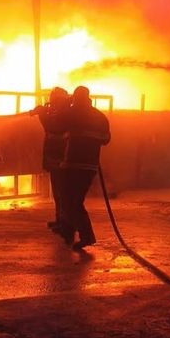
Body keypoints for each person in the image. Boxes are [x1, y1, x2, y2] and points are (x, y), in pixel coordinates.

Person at [59, 86, 111, 251]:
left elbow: (55, 125)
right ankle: (74, 231)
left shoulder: (71, 113)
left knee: (70, 201)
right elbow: (106, 139)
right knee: (74, 201)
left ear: (75, 98)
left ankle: (84, 235)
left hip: (73, 164)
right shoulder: (99, 116)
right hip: (89, 166)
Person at [31, 87, 71, 233]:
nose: (52, 102)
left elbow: (52, 127)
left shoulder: (66, 113)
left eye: (54, 99)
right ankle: (60, 220)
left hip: (63, 160)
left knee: (63, 193)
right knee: (57, 193)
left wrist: (42, 114)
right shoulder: (59, 112)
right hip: (56, 160)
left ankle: (66, 224)